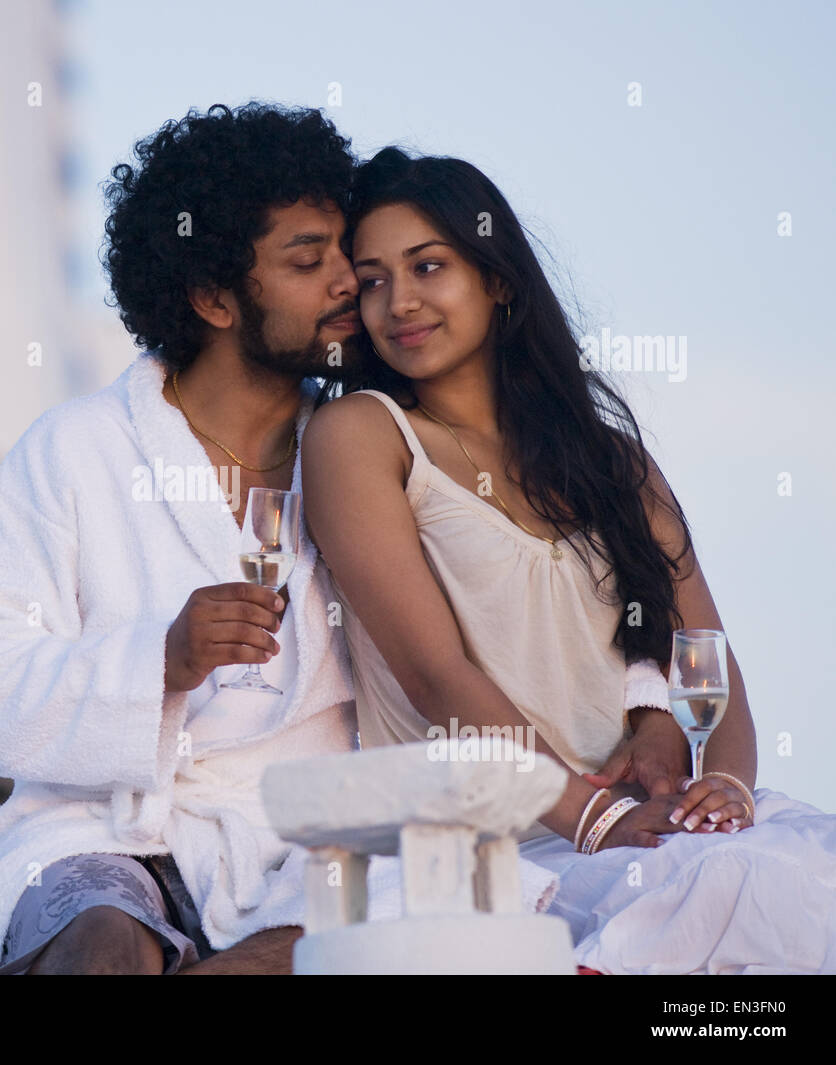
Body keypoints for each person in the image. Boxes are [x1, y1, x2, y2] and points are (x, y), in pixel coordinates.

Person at [301, 146, 836, 974]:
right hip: (492, 847)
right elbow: (435, 675)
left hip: (642, 832)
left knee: (793, 876)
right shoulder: (364, 437)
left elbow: (707, 666)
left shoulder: (612, 458)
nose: (398, 302)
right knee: (726, 896)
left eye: (429, 266)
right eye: (372, 280)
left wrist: (722, 787)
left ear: (499, 280)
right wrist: (590, 817)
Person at [0, 102, 382, 975]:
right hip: (100, 837)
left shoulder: (366, 460)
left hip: (296, 847)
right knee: (104, 942)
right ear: (211, 296)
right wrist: (155, 661)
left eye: (346, 254)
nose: (348, 280)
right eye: (309, 260)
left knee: (321, 947)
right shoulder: (78, 450)